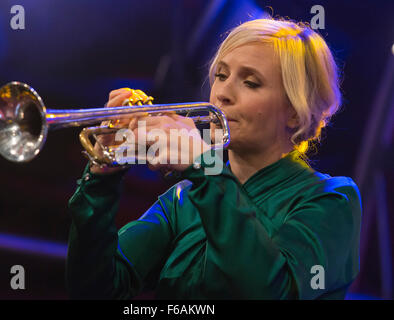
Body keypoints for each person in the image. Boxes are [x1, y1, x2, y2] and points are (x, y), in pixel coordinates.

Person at [65, 18, 362, 299]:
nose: (222, 94)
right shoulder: (184, 198)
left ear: (296, 112)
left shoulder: (332, 199)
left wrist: (205, 167)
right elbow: (95, 290)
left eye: (251, 82)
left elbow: (268, 290)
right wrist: (102, 173)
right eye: (221, 75)